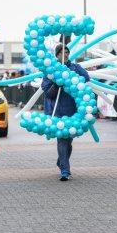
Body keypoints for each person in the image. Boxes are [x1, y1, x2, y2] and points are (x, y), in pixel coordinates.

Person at [41, 43, 90, 181]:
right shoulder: (50, 70)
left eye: (67, 52)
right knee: (62, 139)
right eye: (63, 52)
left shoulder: (74, 67)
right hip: (57, 111)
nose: (66, 54)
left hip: (72, 110)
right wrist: (57, 83)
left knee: (68, 141)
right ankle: (65, 170)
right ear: (57, 55)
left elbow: (86, 77)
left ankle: (61, 161)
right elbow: (47, 93)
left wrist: (72, 77)